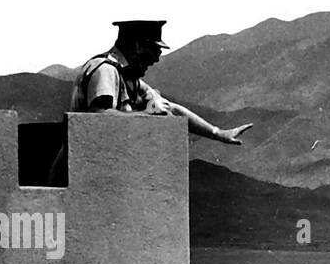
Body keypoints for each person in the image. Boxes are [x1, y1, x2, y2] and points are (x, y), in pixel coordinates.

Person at [49, 20, 251, 182]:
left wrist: (218, 133)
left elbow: (169, 107)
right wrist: (145, 116)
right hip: (76, 176)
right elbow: (99, 115)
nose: (156, 59)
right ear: (137, 46)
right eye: (153, 51)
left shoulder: (128, 77)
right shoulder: (105, 70)